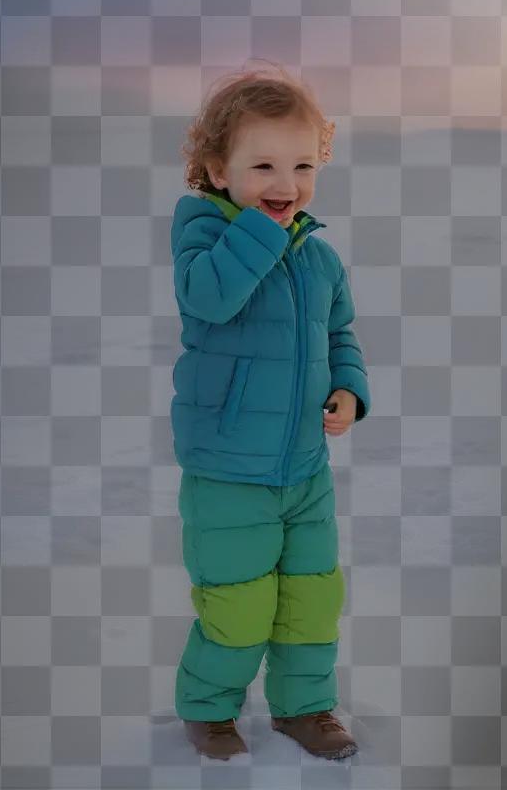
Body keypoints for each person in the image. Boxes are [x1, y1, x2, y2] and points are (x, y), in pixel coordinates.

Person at [169, 61, 371, 761]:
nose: (286, 186)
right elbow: (210, 297)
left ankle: (306, 708)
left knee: (312, 599)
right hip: (229, 471)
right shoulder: (204, 239)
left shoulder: (319, 262)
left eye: (303, 166)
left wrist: (348, 388)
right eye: (262, 166)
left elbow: (339, 334)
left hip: (303, 470)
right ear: (216, 170)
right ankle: (209, 708)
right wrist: (262, 230)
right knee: (238, 604)